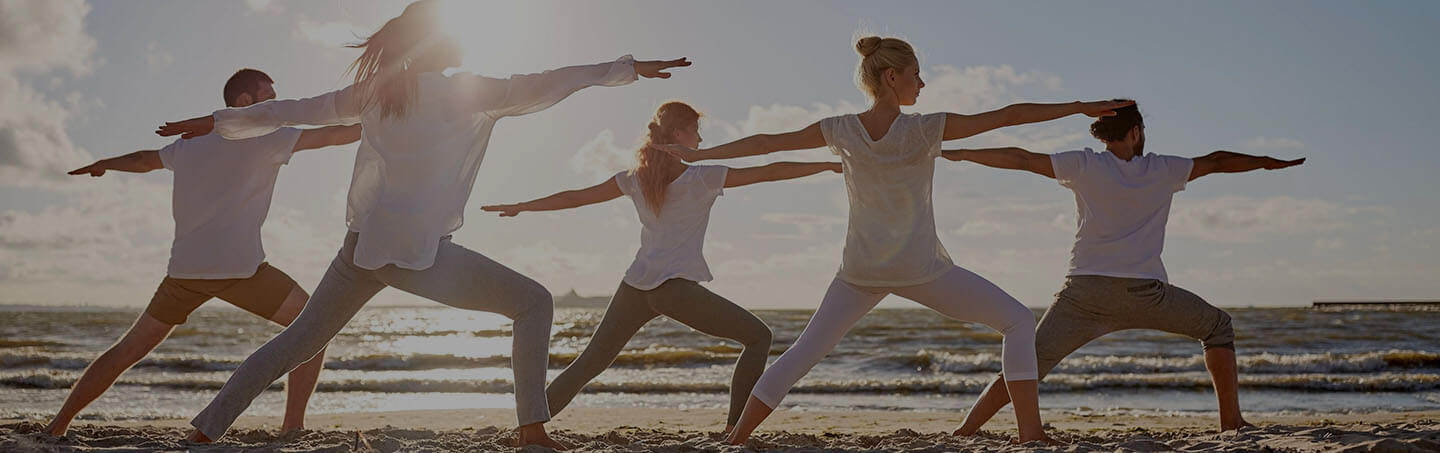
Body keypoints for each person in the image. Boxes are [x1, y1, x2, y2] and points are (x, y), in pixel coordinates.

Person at [153, 1, 691, 448]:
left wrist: (217, 122)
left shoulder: (378, 92)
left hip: (361, 247)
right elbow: (551, 81)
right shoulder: (467, 91)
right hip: (415, 253)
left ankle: (203, 432)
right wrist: (625, 69)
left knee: (297, 343)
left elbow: (291, 110)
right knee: (534, 303)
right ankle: (532, 431)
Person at [650, 35, 1131, 444]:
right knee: (1018, 321)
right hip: (920, 269)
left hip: (860, 271)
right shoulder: (925, 129)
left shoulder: (840, 129)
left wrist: (705, 155)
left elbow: (767, 143)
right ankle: (1031, 436)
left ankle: (736, 440)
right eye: (916, 75)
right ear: (891, 76)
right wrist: (1076, 107)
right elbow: (1006, 115)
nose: (922, 83)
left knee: (802, 354)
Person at [481, 101, 841, 433]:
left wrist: (522, 206)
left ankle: (525, 430)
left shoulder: (635, 178)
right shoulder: (702, 177)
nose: (700, 139)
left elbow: (576, 198)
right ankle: (735, 433)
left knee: (588, 363)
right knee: (758, 337)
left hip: (635, 286)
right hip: (674, 289)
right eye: (695, 130)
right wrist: (826, 165)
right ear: (679, 134)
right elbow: (770, 172)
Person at [946, 101, 1303, 435]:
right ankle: (1232, 422)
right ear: (1135, 132)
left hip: (1084, 295)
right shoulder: (1163, 169)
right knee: (1218, 327)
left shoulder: (1084, 164)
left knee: (1028, 363)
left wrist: (962, 154)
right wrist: (1268, 162)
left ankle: (966, 429)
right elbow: (1218, 161)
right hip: (1145, 295)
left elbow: (1022, 158)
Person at [48, 68, 361, 437]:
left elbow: (144, 160)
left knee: (127, 350)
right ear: (244, 101)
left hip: (185, 274)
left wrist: (105, 164)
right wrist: (388, 119)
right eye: (269, 99)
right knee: (314, 329)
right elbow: (336, 135)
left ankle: (57, 425)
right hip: (241, 273)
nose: (276, 108)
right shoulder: (269, 137)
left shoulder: (190, 144)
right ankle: (292, 425)